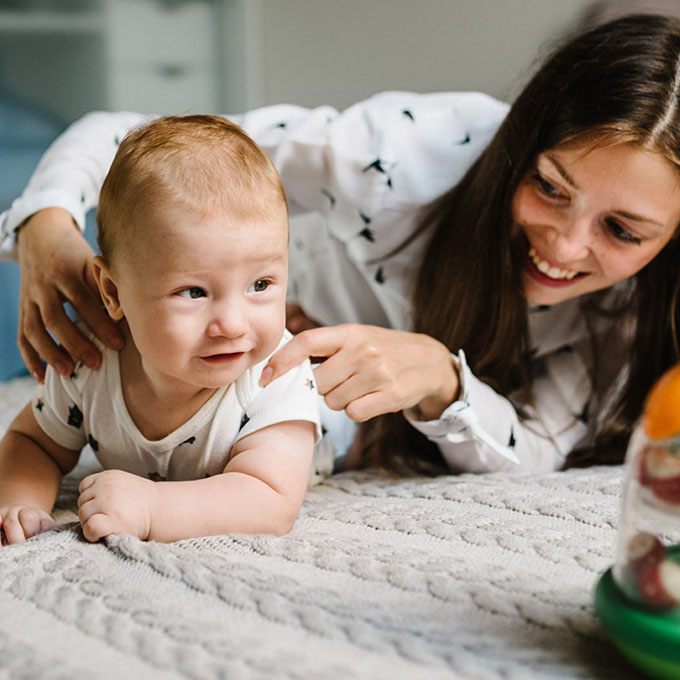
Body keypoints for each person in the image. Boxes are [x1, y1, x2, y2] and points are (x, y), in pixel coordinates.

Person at [2, 14, 680, 478]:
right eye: (549, 187)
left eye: (621, 230)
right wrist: (46, 224)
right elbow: (136, 138)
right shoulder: (401, 156)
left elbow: (534, 450)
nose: (563, 243)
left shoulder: (631, 318)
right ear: (520, 148)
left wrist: (444, 379)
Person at [0, 115, 321, 545]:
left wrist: (152, 507)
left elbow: (270, 499)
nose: (232, 324)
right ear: (112, 292)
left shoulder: (277, 372)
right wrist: (18, 504)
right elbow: (33, 442)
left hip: (338, 421)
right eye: (193, 292)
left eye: (260, 285)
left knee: (368, 425)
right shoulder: (91, 362)